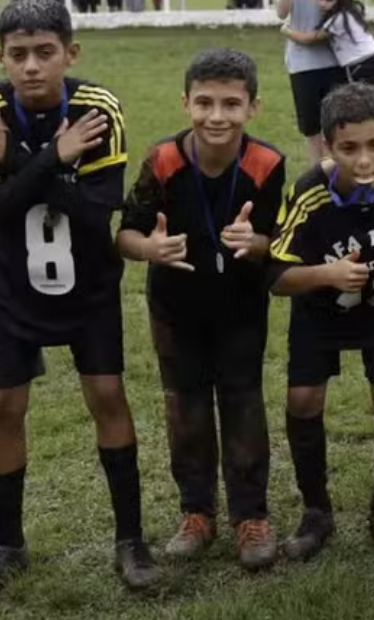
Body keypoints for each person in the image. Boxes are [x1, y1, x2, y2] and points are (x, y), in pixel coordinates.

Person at [0, 0, 160, 598]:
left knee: (107, 393)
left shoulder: (97, 108)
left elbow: (91, 217)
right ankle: (6, 544)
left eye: (45, 53)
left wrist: (17, 164)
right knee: (2, 405)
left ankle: (130, 538)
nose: (31, 67)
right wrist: (53, 158)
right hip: (7, 281)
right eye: (19, 55)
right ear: (0, 56)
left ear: (70, 54)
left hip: (87, 284)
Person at [117, 48, 286, 571]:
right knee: (184, 407)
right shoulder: (161, 160)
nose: (218, 116)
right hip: (175, 306)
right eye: (205, 103)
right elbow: (125, 234)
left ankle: (250, 515)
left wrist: (253, 242)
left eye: (232, 104)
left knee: (242, 402)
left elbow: (282, 241)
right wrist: (150, 250)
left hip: (240, 305)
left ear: (252, 107)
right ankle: (196, 512)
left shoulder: (267, 164)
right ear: (185, 101)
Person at [267, 83, 374, 560]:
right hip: (322, 310)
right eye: (349, 149)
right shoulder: (311, 191)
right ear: (328, 147)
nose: (364, 161)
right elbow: (275, 276)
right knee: (303, 397)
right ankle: (316, 509)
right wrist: (327, 274)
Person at [275, 0, 344, 167]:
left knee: (336, 122)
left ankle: (339, 170)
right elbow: (281, 13)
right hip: (302, 62)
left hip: (333, 57)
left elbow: (343, 8)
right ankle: (319, 175)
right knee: (311, 126)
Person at [284, 0, 374, 98]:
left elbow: (309, 39)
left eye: (329, 0)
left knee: (370, 110)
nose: (323, 3)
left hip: (366, 68)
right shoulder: (349, 13)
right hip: (373, 64)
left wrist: (288, 31)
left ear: (340, 0)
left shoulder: (338, 20)